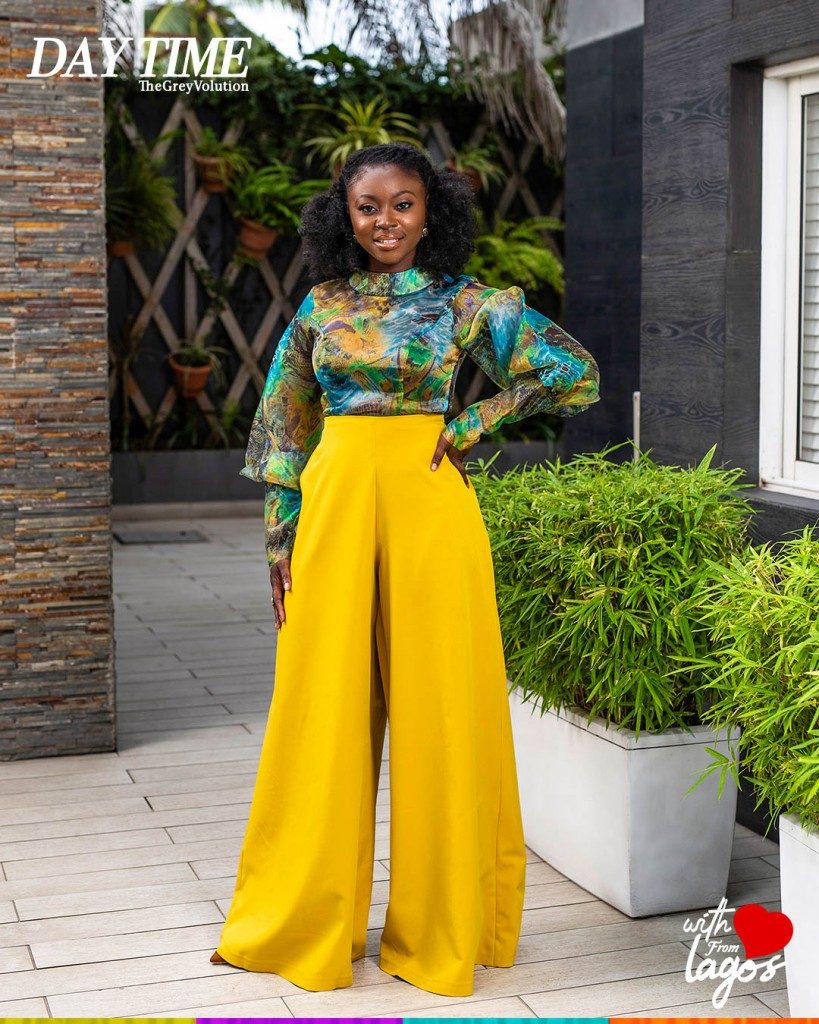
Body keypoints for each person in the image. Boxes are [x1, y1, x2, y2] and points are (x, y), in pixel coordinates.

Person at [209, 141, 600, 998]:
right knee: (320, 708)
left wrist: (468, 425)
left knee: (441, 710)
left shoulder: (466, 301)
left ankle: (439, 929)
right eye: (367, 206)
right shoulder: (320, 305)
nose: (384, 220)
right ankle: (307, 921)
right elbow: (284, 428)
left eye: (402, 204)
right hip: (334, 507)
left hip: (429, 508)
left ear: (430, 214)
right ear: (343, 218)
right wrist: (278, 537)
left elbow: (571, 373)